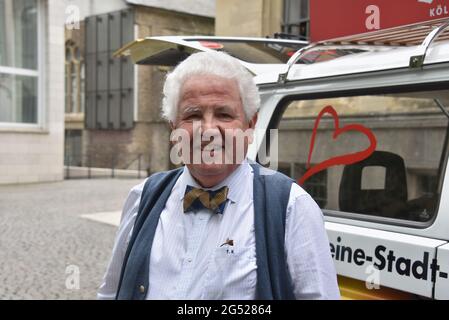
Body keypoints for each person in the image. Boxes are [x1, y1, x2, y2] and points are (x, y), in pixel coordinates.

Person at [97, 51, 340, 300]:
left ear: (250, 124)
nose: (209, 130)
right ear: (174, 127)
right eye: (193, 115)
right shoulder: (142, 198)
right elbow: (110, 294)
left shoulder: (291, 206)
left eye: (224, 114)